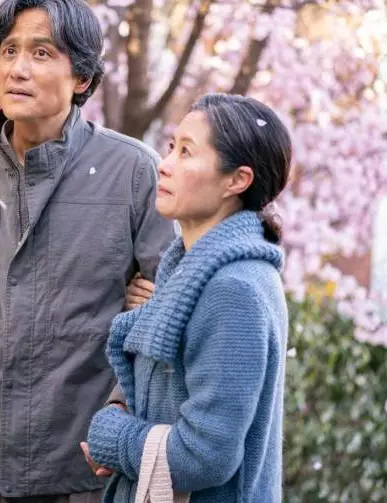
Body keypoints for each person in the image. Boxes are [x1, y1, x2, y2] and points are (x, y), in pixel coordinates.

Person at [0, 0, 176, 503]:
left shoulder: (133, 172)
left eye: (41, 53)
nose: (18, 69)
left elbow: (171, 309)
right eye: (9, 50)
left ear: (82, 78)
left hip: (86, 470)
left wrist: (121, 412)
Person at [82, 93, 292, 503]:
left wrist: (114, 438)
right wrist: (119, 407)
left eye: (187, 152)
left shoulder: (234, 289)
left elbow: (205, 456)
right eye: (171, 147)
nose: (165, 164)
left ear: (237, 180)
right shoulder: (192, 268)